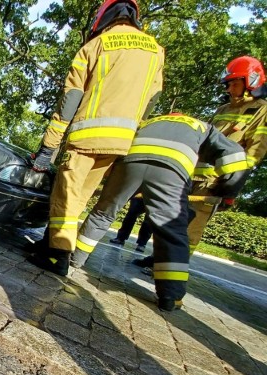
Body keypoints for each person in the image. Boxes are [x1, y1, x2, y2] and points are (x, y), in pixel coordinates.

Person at [29, 0, 164, 277]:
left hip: (85, 137)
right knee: (81, 199)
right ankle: (47, 245)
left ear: (104, 17)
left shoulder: (96, 45)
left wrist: (49, 146)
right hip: (121, 143)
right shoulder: (155, 51)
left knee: (66, 197)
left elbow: (71, 99)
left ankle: (58, 257)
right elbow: (153, 99)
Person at [70, 113, 248, 312]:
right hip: (171, 170)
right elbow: (235, 157)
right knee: (171, 231)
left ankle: (74, 259)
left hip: (131, 162)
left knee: (103, 213)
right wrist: (228, 191)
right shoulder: (204, 128)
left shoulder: (151, 121)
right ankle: (170, 296)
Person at [133, 56, 267, 269]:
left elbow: (253, 153)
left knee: (191, 230)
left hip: (213, 184)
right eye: (229, 83)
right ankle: (160, 258)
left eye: (235, 83)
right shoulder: (223, 110)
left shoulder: (261, 111)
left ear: (251, 81)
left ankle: (173, 270)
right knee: (170, 222)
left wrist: (231, 187)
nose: (230, 88)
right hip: (191, 175)